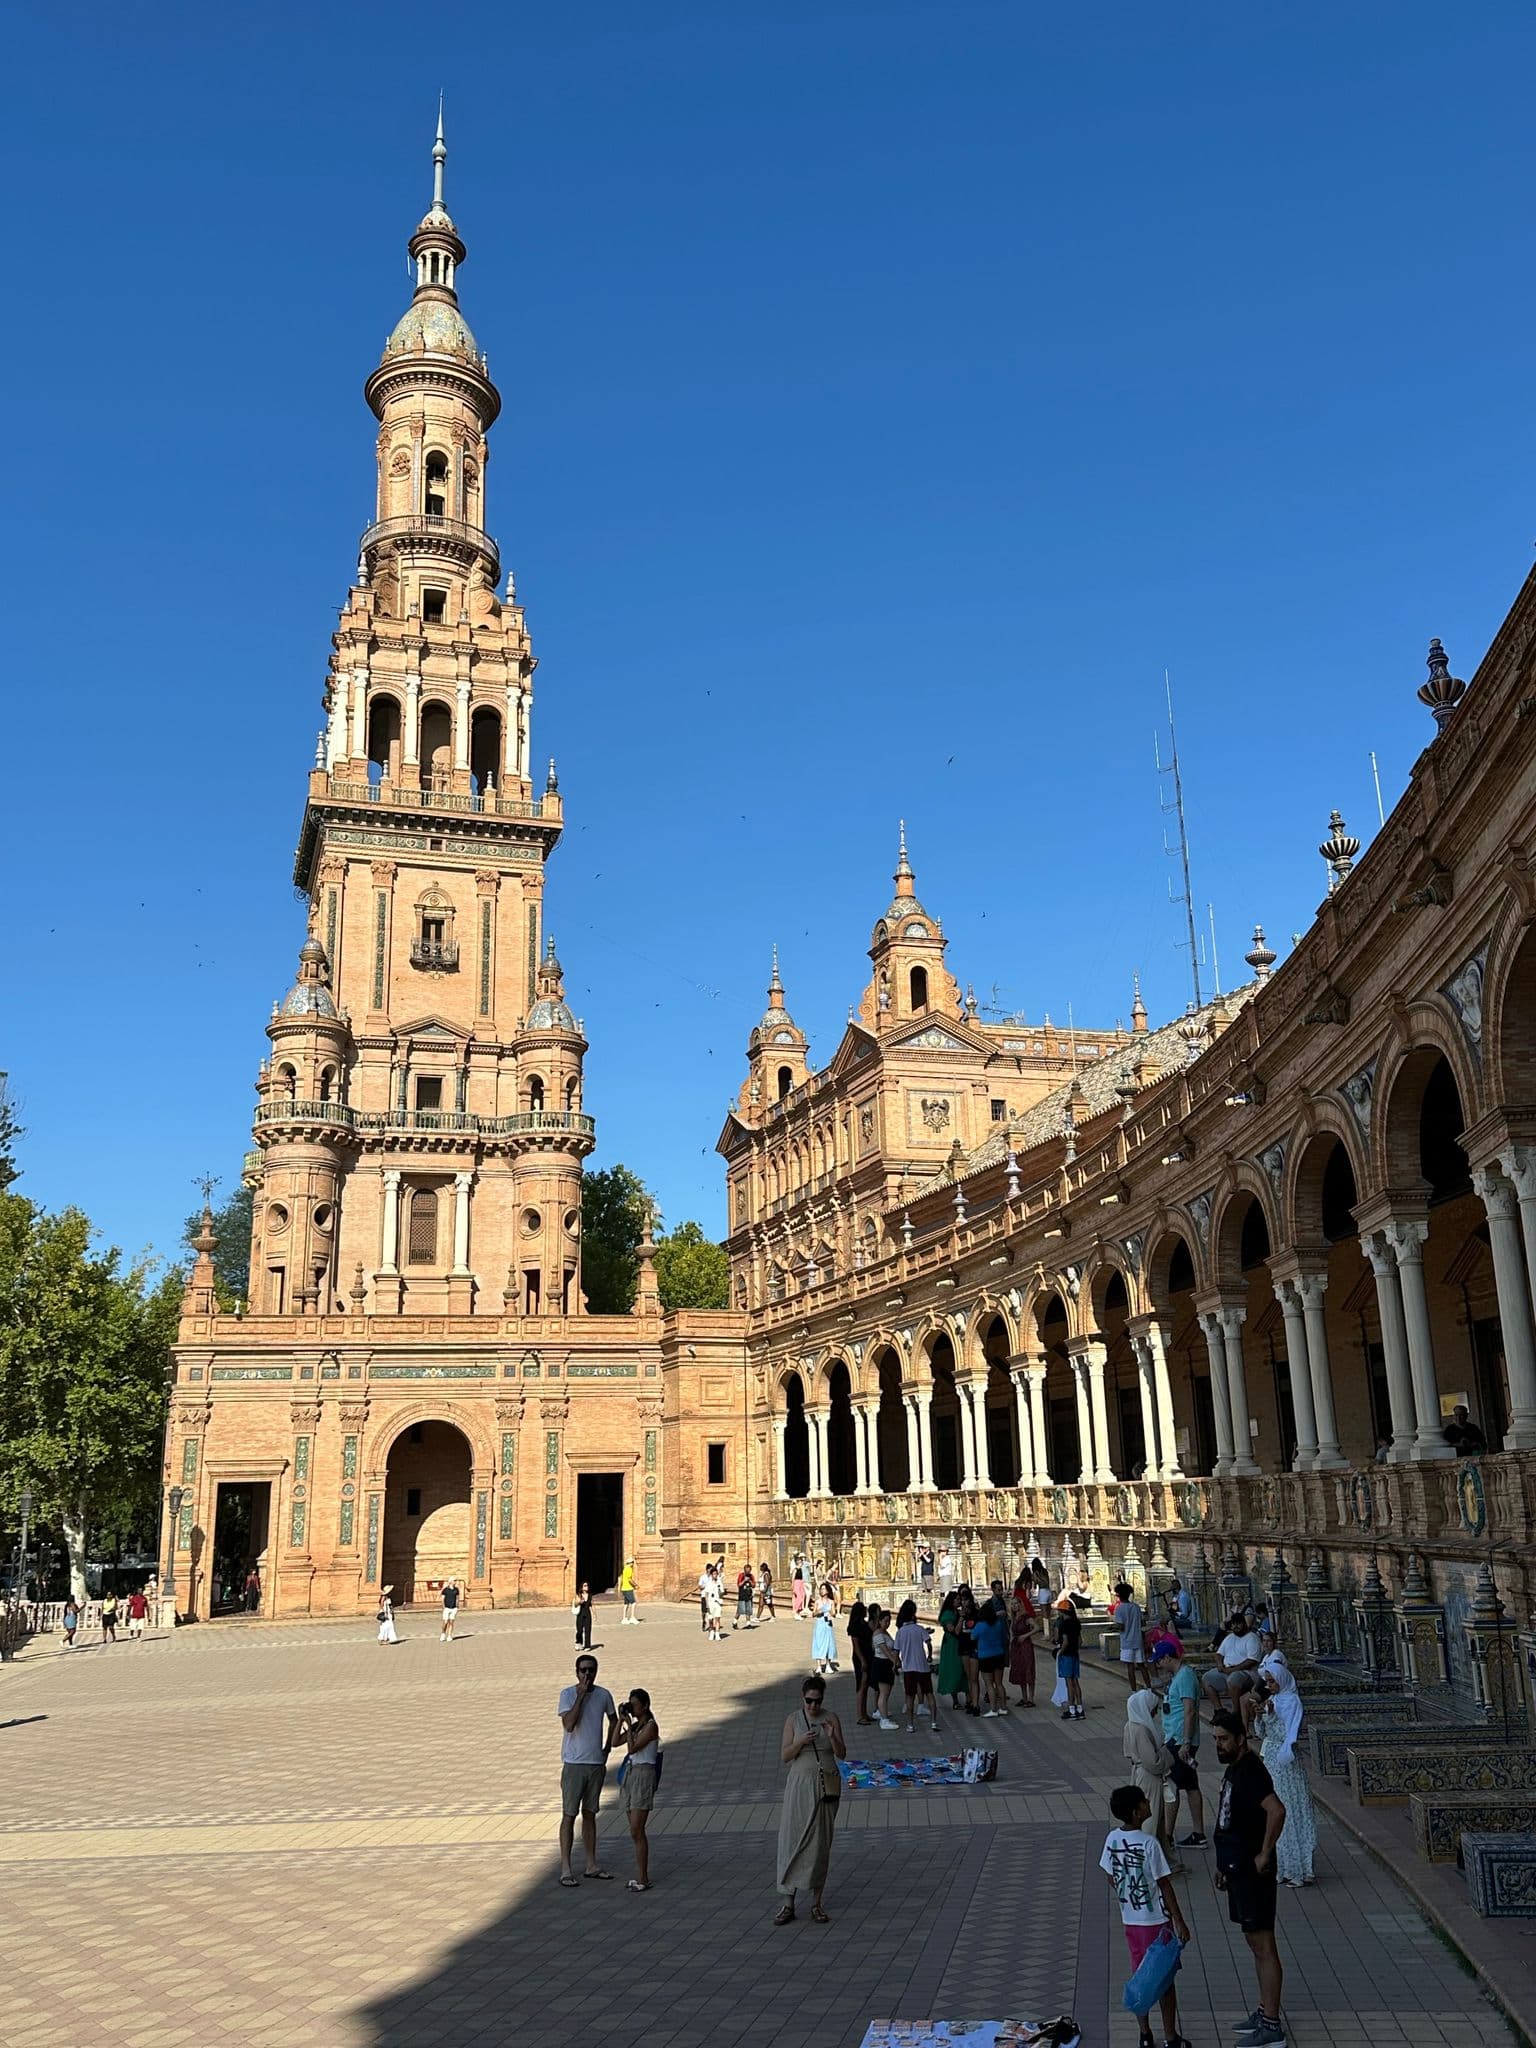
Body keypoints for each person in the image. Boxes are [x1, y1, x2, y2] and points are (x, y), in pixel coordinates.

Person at [1212, 1709, 1287, 2046]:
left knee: (1264, 1945)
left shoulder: (1251, 1771)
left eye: (1224, 1739)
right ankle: (1263, 2010)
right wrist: (1223, 1864)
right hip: (1237, 1869)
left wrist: (1265, 1853)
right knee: (1254, 1944)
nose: (1219, 1745)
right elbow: (1229, 1818)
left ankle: (1271, 2025)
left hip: (1253, 1873)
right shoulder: (1236, 1769)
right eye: (1215, 1739)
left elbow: (1277, 1810)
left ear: (1241, 1739)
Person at [1101, 1784, 1193, 2048]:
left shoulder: (1112, 1839)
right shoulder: (1150, 1843)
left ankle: (1144, 2034)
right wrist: (1179, 1920)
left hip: (1130, 1920)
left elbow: (1110, 1875)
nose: (1147, 1802)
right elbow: (1165, 1885)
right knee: (1165, 1979)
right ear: (1136, 1812)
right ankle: (1171, 2037)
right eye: (1143, 1801)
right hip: (1156, 1922)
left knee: (1140, 1976)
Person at [774, 1674, 846, 1924]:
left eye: (817, 1701)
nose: (813, 1706)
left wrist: (833, 1734)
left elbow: (842, 1754)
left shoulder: (831, 1718)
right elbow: (785, 1756)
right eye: (809, 1701)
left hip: (826, 1785)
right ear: (802, 1698)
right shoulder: (793, 1720)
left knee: (820, 1844)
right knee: (792, 1839)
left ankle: (816, 1902)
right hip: (800, 1786)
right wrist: (801, 1741)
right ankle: (788, 1903)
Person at [557, 1653, 620, 1887]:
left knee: (591, 1814)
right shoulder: (567, 1694)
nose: (587, 1674)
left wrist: (607, 1749)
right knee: (569, 1814)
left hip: (596, 1763)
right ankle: (566, 1868)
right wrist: (580, 1697)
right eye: (583, 1670)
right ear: (576, 1672)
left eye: (591, 1670)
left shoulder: (604, 1695)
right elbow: (569, 1725)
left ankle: (591, 1864)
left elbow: (614, 1720)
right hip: (574, 1763)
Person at [1253, 1653, 1315, 1887]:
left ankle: (1299, 1869)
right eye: (1267, 1682)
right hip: (1271, 1762)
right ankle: (1285, 1868)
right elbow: (1262, 1733)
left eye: (1272, 1682)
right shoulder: (1276, 1701)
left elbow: (1288, 1736)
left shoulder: (1291, 1702)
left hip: (1285, 1766)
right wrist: (1260, 1717)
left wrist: (1271, 1715)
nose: (1269, 1686)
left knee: (1290, 1814)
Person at [1153, 1640, 1208, 1848]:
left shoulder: (1184, 1677)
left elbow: (1189, 1710)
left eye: (1159, 1660)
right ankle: (1198, 1833)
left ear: (1168, 1658)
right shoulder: (1180, 1676)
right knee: (1191, 1785)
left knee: (1172, 1786)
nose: (1158, 1665)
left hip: (1179, 1741)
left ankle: (1167, 1836)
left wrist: (1185, 1742)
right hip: (1179, 1739)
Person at [615, 1685, 660, 1893]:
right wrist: (621, 1721)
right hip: (631, 1775)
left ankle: (644, 1877)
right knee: (634, 1832)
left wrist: (627, 1723)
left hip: (643, 1775)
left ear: (645, 1705)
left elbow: (633, 1748)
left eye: (635, 1705)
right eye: (630, 1704)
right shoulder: (634, 1726)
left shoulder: (651, 1726)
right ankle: (641, 1875)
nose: (632, 1708)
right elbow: (616, 1742)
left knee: (636, 1828)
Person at [1123, 1688, 1176, 1865]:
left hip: (1138, 1774)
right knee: (1151, 1817)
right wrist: (1166, 1754)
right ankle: (1146, 1860)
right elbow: (1152, 1762)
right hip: (1149, 1778)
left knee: (1157, 1818)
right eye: (1153, 1708)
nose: (1155, 1712)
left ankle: (1165, 1859)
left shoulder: (1130, 1725)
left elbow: (1128, 1753)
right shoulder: (1142, 1729)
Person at [895, 1598, 943, 1734]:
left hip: (908, 1668)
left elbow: (896, 1651)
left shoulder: (900, 1632)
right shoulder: (920, 1629)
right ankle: (934, 1722)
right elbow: (928, 1642)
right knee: (929, 1695)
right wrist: (929, 1655)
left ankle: (910, 1725)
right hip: (922, 1667)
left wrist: (895, 1664)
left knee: (910, 1697)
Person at [1202, 1612, 1263, 1709]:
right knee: (1207, 1678)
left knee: (1233, 1679)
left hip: (1247, 1672)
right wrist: (1219, 1665)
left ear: (1244, 1624)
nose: (1236, 1626)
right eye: (1233, 1624)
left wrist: (1234, 1669)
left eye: (1238, 1624)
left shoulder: (1252, 1638)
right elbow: (1219, 1654)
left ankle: (1236, 1712)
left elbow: (1252, 1661)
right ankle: (1219, 1710)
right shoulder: (1229, 1637)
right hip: (1227, 1669)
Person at [973, 1596, 1009, 1716]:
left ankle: (993, 1709)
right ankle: (1003, 1707)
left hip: (985, 1656)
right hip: (998, 1654)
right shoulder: (998, 1624)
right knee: (999, 1683)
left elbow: (972, 1637)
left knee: (989, 1684)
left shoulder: (980, 1626)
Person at [1115, 1580, 1150, 1690]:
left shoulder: (1119, 1609)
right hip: (1138, 1640)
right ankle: (1149, 1687)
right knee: (1142, 1665)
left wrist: (1113, 1627)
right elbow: (1141, 1622)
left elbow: (1121, 1627)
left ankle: (1133, 1690)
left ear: (1119, 1595)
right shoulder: (1136, 1607)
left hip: (1127, 1641)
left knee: (1130, 1667)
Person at [1054, 1593, 1084, 1720]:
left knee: (1069, 1683)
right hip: (1075, 1654)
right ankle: (1080, 1708)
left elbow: (1064, 1641)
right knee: (1076, 1682)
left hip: (1066, 1655)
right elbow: (1080, 1641)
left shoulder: (1064, 1624)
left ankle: (1071, 1710)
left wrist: (1060, 1652)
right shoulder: (1076, 1622)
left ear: (1062, 1612)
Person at [869, 1605, 899, 1728]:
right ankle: (884, 1720)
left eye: (889, 1621)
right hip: (882, 1664)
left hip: (887, 1664)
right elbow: (885, 1650)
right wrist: (895, 1661)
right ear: (880, 1621)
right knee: (883, 1693)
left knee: (886, 1692)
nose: (887, 1623)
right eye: (885, 1621)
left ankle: (882, 1712)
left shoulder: (884, 1633)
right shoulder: (877, 1634)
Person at [936, 1588, 965, 1708]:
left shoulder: (956, 1612)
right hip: (952, 1644)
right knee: (954, 1669)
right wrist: (961, 1618)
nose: (959, 1601)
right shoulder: (948, 1614)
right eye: (957, 1599)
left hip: (959, 1643)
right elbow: (954, 1631)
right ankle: (955, 1700)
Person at [1008, 1582, 1037, 1707]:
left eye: (1016, 1603)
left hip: (1025, 1645)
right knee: (1020, 1671)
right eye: (1013, 1604)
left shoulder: (1026, 1617)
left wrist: (1026, 1635)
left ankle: (1031, 1698)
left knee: (1028, 1670)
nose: (1015, 1606)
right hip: (1016, 1646)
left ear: (1020, 1604)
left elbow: (1036, 1627)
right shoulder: (1013, 1619)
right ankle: (1024, 1697)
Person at [847, 1599, 875, 1721]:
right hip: (861, 1657)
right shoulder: (855, 1626)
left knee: (866, 1685)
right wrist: (862, 1660)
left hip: (868, 1655)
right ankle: (860, 1715)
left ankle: (864, 1713)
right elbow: (856, 1646)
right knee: (861, 1685)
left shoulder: (863, 1624)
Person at [955, 1588, 981, 1716]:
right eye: (962, 1601)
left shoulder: (976, 1614)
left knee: (974, 1677)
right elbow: (957, 1631)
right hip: (964, 1647)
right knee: (969, 1676)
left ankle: (976, 1704)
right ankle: (970, 1701)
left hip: (974, 1647)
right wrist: (961, 1618)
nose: (964, 1603)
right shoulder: (959, 1614)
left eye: (966, 1600)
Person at [810, 1581, 838, 1675]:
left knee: (829, 1644)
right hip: (820, 1624)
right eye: (821, 1589)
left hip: (828, 1624)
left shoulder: (831, 1602)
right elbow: (813, 1614)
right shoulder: (818, 1602)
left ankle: (828, 1665)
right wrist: (819, 1611)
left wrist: (831, 1612)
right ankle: (818, 1666)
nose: (822, 1591)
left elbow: (834, 1613)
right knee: (818, 1643)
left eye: (823, 1589)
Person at [703, 1566, 724, 1643]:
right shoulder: (709, 1583)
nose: (715, 1575)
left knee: (717, 1618)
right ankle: (712, 1631)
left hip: (717, 1602)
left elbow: (722, 1593)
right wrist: (707, 1604)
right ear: (711, 1575)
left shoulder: (719, 1582)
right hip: (710, 1602)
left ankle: (717, 1633)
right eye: (714, 1574)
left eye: (716, 1574)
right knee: (710, 1619)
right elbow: (706, 1594)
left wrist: (720, 1590)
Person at [734, 1562, 756, 1630]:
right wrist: (744, 1580)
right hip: (742, 1595)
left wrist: (750, 1581)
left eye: (749, 1571)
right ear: (744, 1570)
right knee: (740, 1610)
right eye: (747, 1571)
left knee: (748, 1610)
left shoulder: (751, 1576)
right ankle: (734, 1622)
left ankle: (748, 1623)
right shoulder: (741, 1575)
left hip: (749, 1595)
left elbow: (753, 1585)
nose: (748, 1572)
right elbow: (739, 1585)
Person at [573, 1579, 593, 1650]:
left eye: (587, 1585)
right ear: (582, 1587)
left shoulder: (590, 1595)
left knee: (588, 1630)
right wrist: (579, 1602)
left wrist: (594, 1614)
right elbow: (575, 1604)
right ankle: (578, 1643)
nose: (586, 1587)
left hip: (587, 1614)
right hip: (580, 1614)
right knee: (579, 1630)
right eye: (585, 1586)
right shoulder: (578, 1595)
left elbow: (591, 1605)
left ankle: (587, 1645)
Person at [618, 1557, 639, 1625]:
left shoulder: (625, 1568)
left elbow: (622, 1578)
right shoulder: (629, 1569)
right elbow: (629, 1579)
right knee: (633, 1603)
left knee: (626, 1604)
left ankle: (624, 1618)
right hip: (628, 1588)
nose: (633, 1564)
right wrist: (635, 1585)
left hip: (624, 1588)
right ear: (631, 1563)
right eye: (632, 1562)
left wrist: (620, 1587)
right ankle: (632, 1617)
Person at [441, 1578, 460, 1643]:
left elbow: (457, 1598)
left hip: (454, 1608)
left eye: (455, 1581)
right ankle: (443, 1633)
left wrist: (457, 1606)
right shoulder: (445, 1590)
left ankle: (449, 1635)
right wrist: (444, 1607)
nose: (455, 1582)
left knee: (451, 1622)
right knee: (445, 1622)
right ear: (450, 1582)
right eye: (454, 1581)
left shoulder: (456, 1589)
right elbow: (443, 1599)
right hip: (447, 1608)